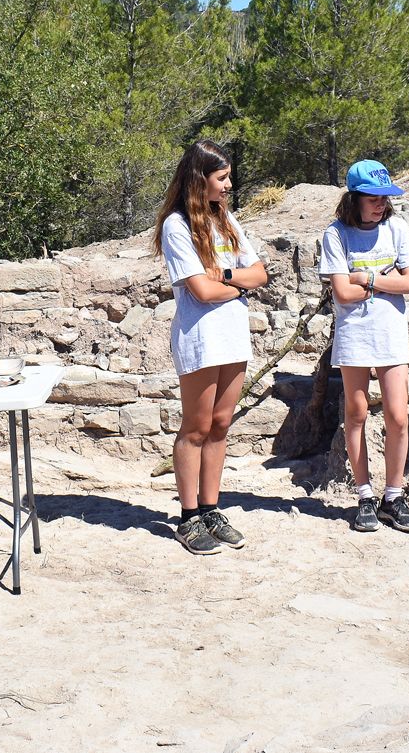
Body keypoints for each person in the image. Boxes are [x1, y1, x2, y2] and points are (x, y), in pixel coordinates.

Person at [153, 139, 268, 556]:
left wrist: (224, 275)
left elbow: (260, 274)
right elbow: (200, 292)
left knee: (220, 424)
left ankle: (211, 508)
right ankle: (188, 518)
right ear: (200, 179)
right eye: (222, 178)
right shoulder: (177, 226)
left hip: (233, 335)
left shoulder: (226, 220)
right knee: (196, 427)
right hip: (200, 338)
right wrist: (235, 285)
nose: (229, 185)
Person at [319, 160, 409, 533]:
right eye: (373, 198)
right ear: (355, 198)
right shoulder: (337, 235)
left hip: (390, 332)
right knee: (357, 412)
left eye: (385, 197)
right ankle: (364, 494)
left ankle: (393, 496)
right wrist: (385, 278)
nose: (381, 204)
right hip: (355, 335)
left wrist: (366, 277)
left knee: (398, 416)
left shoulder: (397, 229)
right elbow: (342, 293)